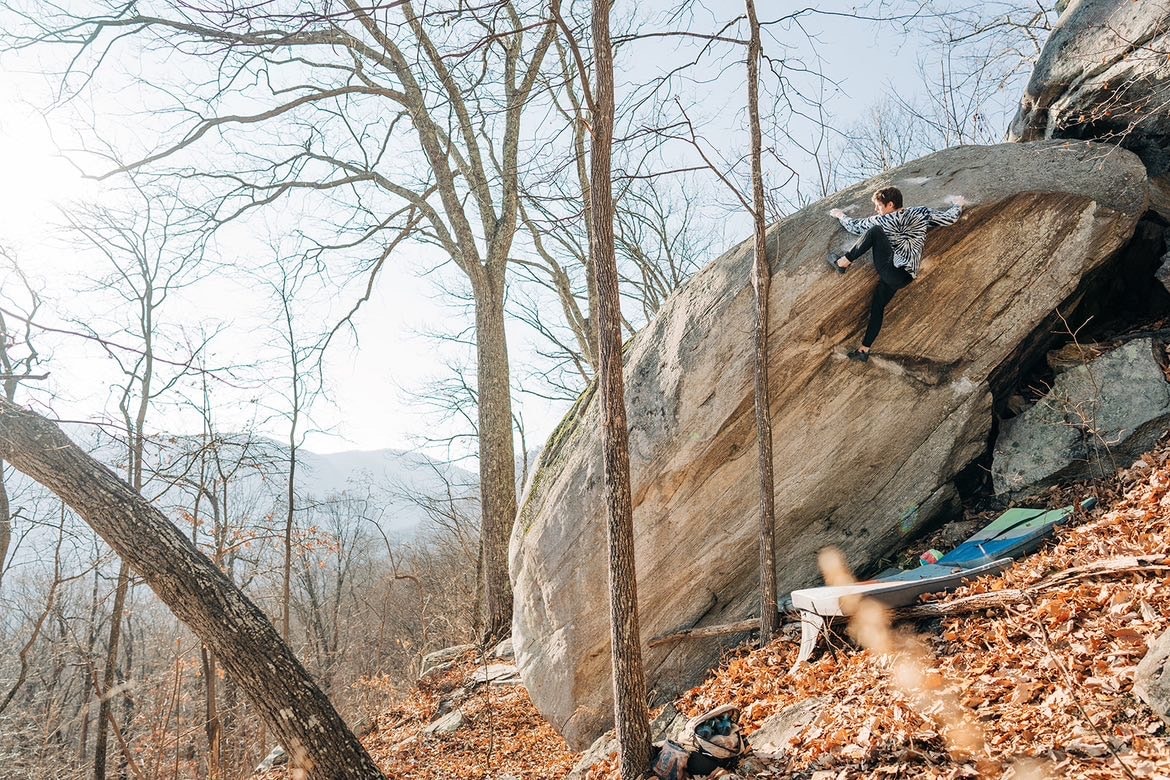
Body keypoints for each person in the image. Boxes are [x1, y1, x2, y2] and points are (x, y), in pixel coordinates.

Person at [826, 186, 967, 362]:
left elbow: (855, 227)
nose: (876, 210)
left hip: (891, 269)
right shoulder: (920, 213)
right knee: (878, 305)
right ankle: (864, 350)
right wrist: (958, 204)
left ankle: (843, 262)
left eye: (878, 206)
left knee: (875, 231)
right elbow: (949, 218)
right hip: (906, 276)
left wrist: (841, 215)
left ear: (890, 204)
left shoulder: (881, 221)